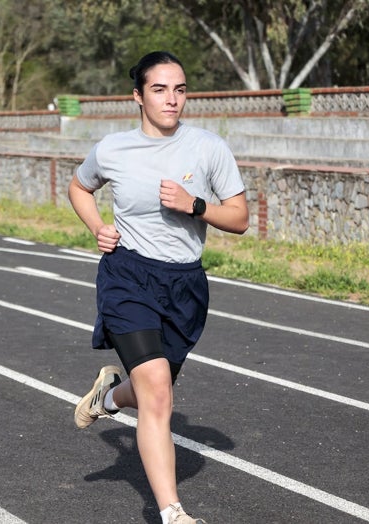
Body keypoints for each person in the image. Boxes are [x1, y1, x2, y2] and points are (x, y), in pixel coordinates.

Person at [68, 51, 249, 524]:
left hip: (185, 285)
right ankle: (172, 513)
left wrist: (195, 205)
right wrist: (97, 228)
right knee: (159, 396)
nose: (172, 99)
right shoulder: (113, 149)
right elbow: (79, 187)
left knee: (154, 388)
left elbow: (240, 219)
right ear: (138, 96)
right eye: (160, 89)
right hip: (127, 275)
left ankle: (109, 395)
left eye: (180, 89)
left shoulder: (209, 148)